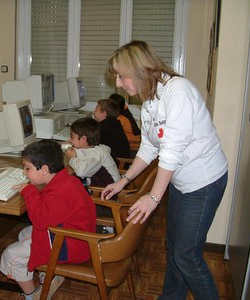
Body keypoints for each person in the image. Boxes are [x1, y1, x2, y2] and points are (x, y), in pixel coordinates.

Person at [101, 40, 228, 300]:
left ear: (138, 70)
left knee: (186, 255)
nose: (118, 84)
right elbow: (149, 148)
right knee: (173, 248)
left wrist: (154, 197)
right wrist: (124, 181)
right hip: (181, 181)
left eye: (121, 76)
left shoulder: (177, 91)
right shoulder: (149, 100)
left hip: (204, 181)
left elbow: (171, 150)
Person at [0, 139, 96, 300]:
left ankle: (33, 296)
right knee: (24, 233)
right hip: (77, 237)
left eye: (27, 168)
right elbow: (50, 210)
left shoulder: (61, 191)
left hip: (71, 246)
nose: (24, 172)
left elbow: (40, 221)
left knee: (11, 256)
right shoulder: (66, 180)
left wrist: (29, 191)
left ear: (44, 170)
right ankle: (49, 276)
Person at [64, 117, 120, 188]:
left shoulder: (96, 154)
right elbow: (85, 153)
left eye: (72, 137)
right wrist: (74, 150)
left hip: (107, 193)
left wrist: (72, 158)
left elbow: (81, 172)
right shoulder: (97, 148)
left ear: (83, 139)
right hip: (103, 188)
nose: (70, 140)